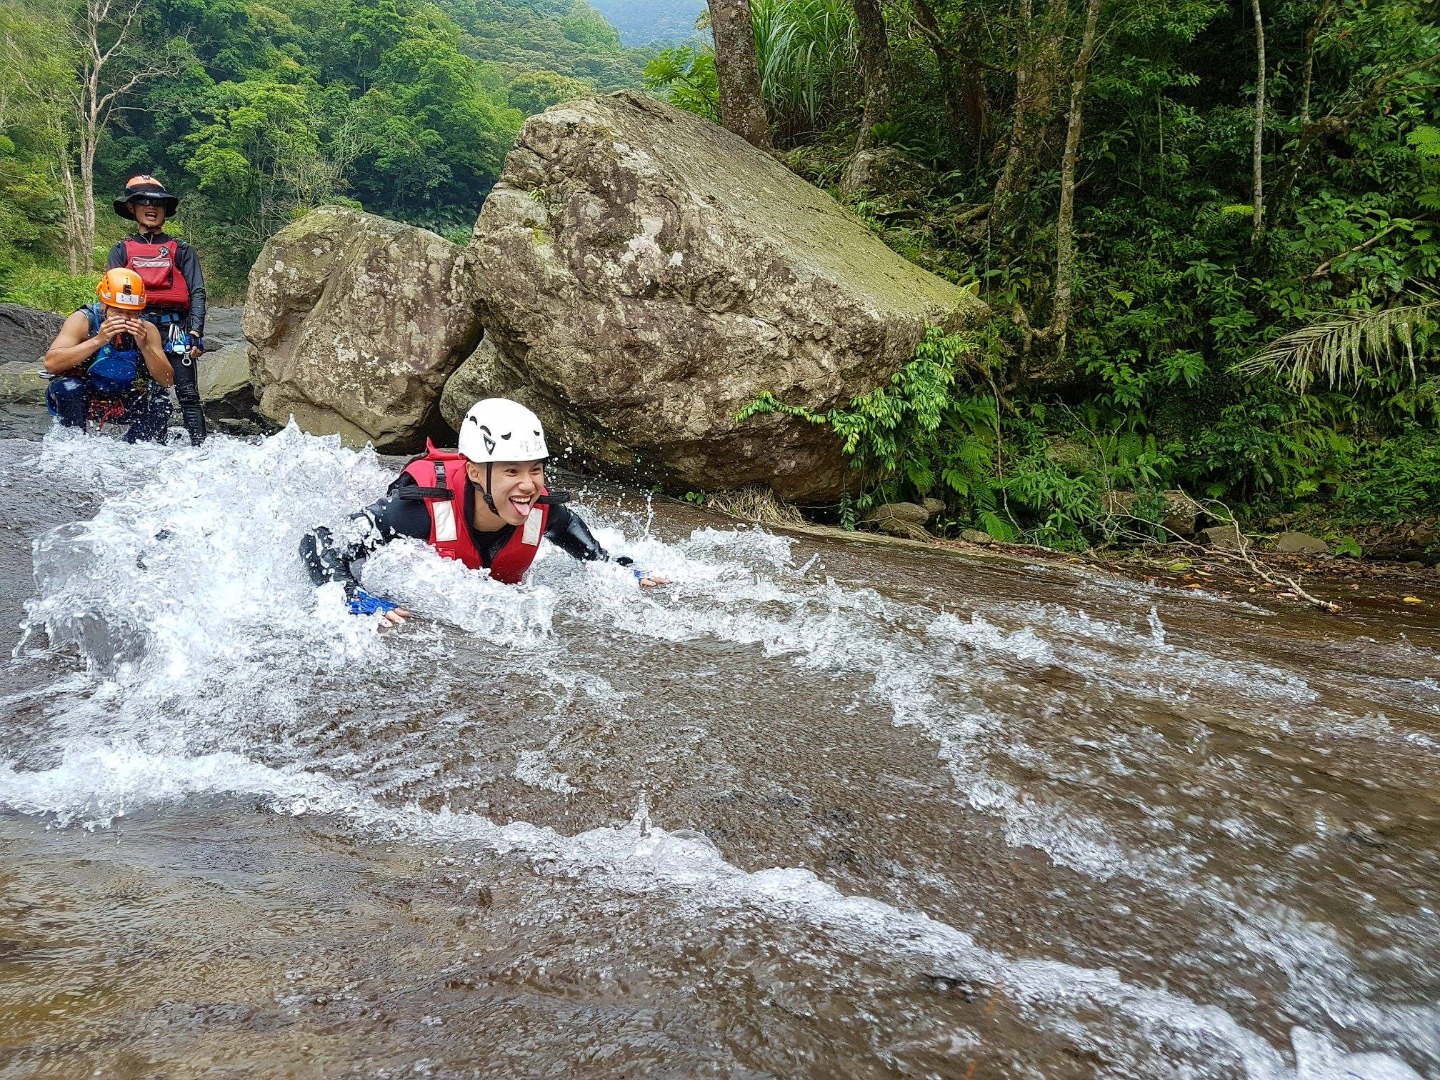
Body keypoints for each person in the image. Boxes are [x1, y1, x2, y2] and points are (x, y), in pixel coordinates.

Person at [301, 398, 664, 623]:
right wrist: (349, 594)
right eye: (511, 471)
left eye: (535, 469)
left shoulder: (544, 511)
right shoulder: (417, 512)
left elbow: (595, 557)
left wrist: (621, 571)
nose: (528, 485)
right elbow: (317, 543)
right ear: (475, 472)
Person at [108, 175, 209, 445]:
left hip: (176, 329)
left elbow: (197, 291)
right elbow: (111, 296)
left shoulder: (182, 250)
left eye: (158, 204)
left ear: (165, 210)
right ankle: (150, 447)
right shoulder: (121, 250)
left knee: (187, 394)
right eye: (142, 201)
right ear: (132, 208)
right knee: (146, 393)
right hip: (136, 328)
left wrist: (196, 332)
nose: (151, 207)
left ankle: (201, 449)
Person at [43, 269, 175, 443]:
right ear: (104, 305)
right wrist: (98, 340)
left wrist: (144, 347)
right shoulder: (83, 320)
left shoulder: (148, 330)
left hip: (125, 396)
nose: (125, 318)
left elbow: (167, 380)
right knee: (68, 387)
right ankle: (73, 443)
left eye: (132, 313)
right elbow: (51, 363)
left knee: (161, 405)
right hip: (85, 392)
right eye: (118, 312)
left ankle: (130, 448)